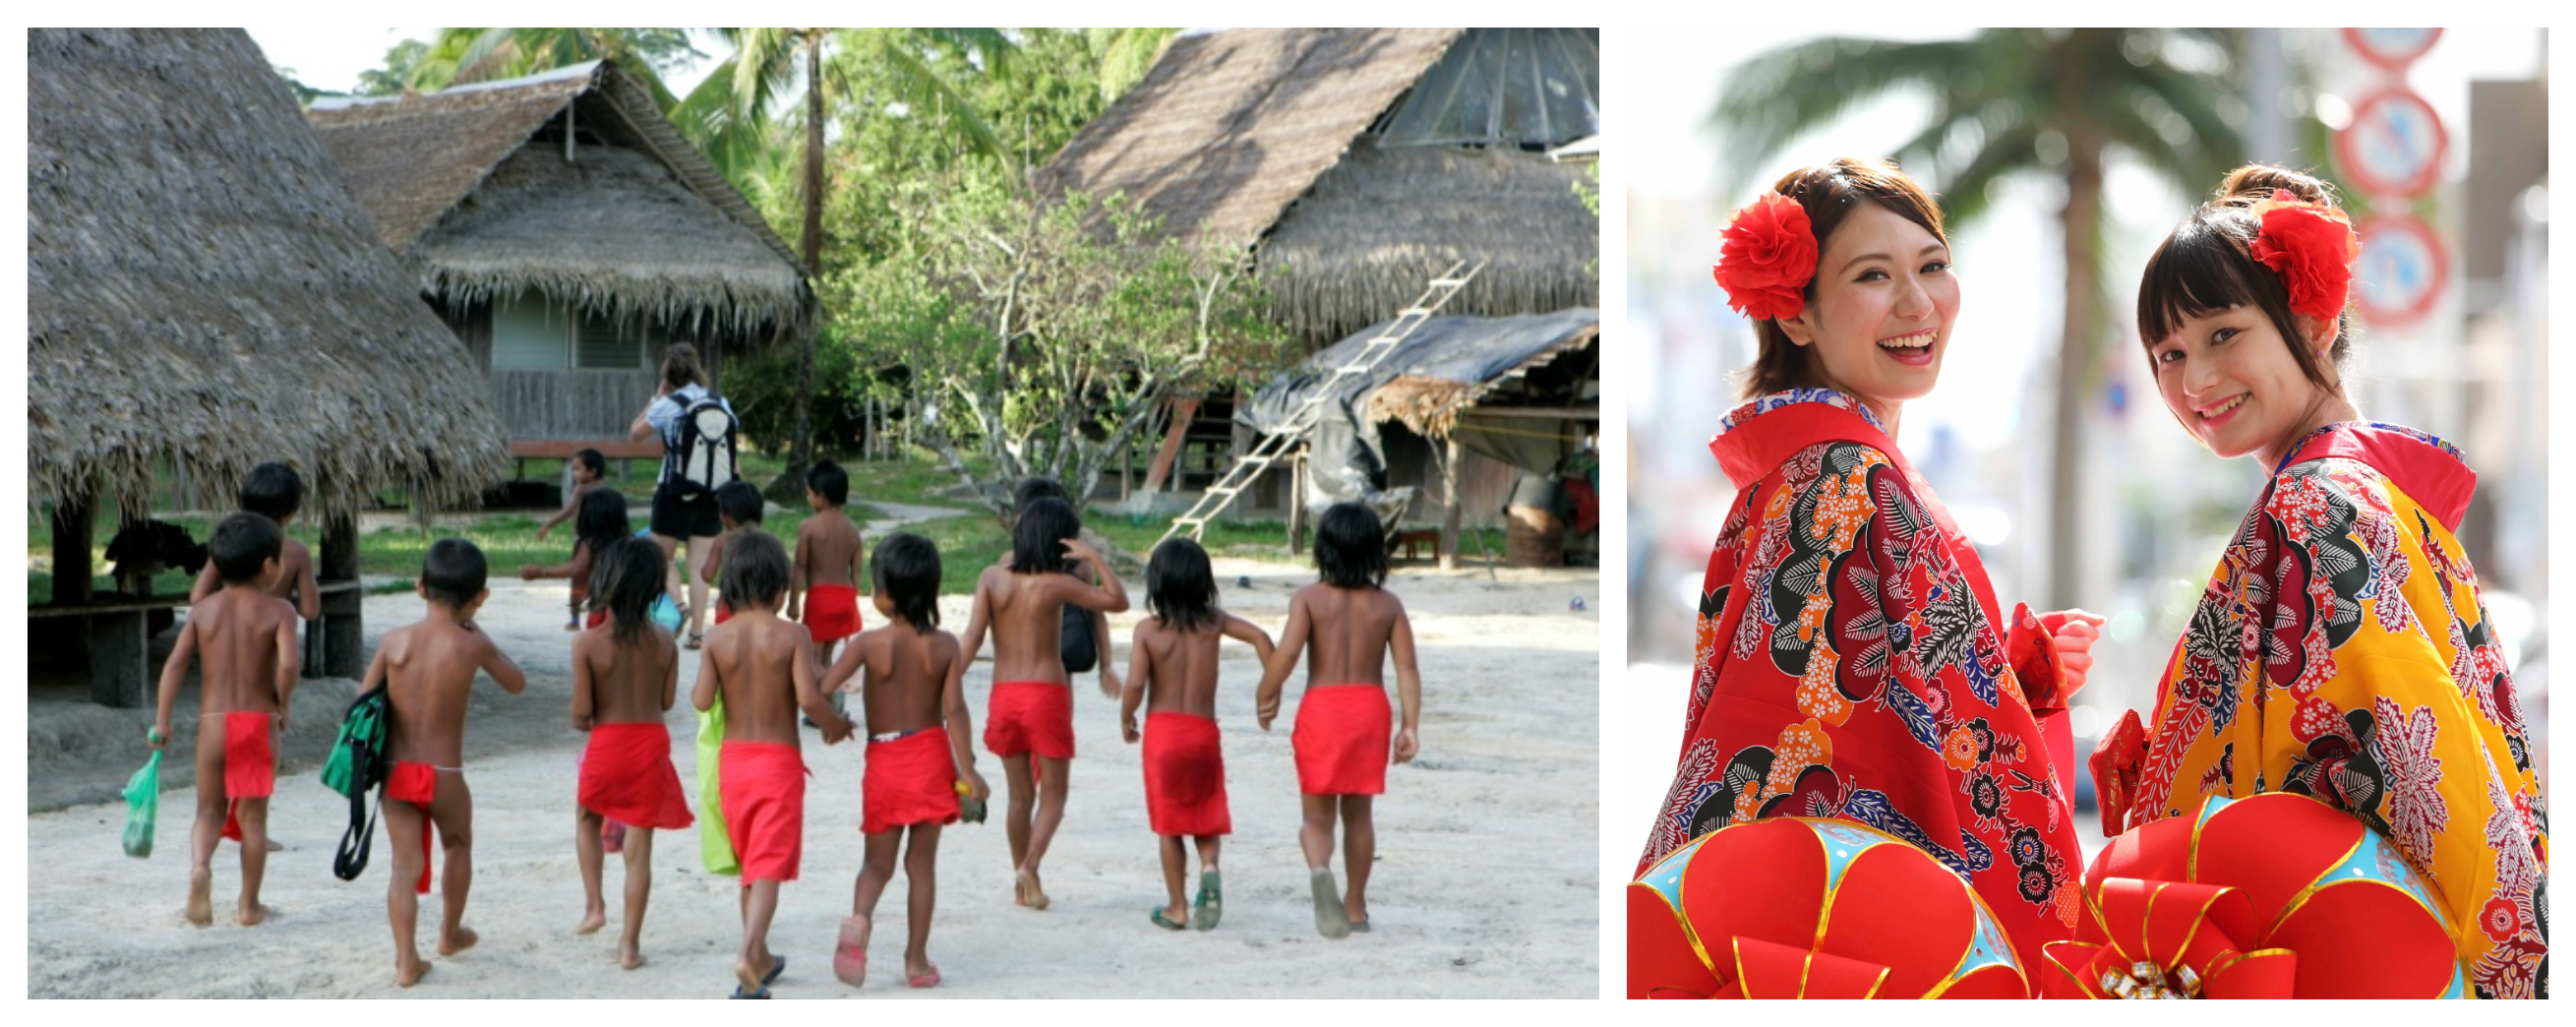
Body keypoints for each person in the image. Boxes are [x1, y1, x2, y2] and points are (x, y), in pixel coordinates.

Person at [1632, 158, 2104, 970]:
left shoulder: (1810, 468)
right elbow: (1833, 736)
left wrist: (2007, 674)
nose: (1917, 304)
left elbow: (1880, 691)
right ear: (1797, 315)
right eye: (1873, 275)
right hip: (1854, 929)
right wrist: (1992, 687)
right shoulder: (1848, 477)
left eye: (1931, 266)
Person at [2093, 165, 2546, 997]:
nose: (2194, 382)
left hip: (2342, 960)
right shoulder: (2360, 488)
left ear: (2311, 317)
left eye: (2224, 333)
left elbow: (2417, 774)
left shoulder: (2316, 504)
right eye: (2169, 354)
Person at [819, 532, 988, 990]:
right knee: (921, 867)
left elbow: (824, 686)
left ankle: (859, 920)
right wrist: (968, 769)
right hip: (930, 757)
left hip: (885, 759)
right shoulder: (945, 646)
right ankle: (916, 961)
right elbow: (955, 710)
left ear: (885, 594)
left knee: (876, 864)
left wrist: (836, 723)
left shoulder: (867, 644)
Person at [690, 530, 855, 998]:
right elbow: (809, 697)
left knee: (751, 864)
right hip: (778, 765)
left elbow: (702, 700)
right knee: (768, 866)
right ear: (782, 588)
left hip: (734, 766)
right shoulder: (793, 634)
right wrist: (835, 725)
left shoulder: (717, 638)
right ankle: (747, 953)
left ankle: (759, 959)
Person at [364, 538, 528, 987]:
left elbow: (363, 701)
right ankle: (450, 933)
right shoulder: (471, 645)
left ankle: (405, 962)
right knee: (457, 845)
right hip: (445, 773)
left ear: (419, 587)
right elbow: (517, 683)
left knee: (403, 866)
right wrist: (483, 637)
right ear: (480, 597)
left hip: (397, 770)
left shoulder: (394, 641)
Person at [1255, 503, 1420, 938]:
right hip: (1368, 710)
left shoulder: (1309, 599)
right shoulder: (1388, 605)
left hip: (1323, 710)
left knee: (1316, 818)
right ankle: (1354, 906)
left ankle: (1319, 867)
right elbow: (1407, 669)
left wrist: (1265, 691)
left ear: (1322, 549)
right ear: (1375, 551)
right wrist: (1410, 726)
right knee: (1360, 816)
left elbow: (1288, 654)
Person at [957, 496, 1130, 911]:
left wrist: (948, 679)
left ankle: (1024, 884)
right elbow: (1117, 601)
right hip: (1045, 696)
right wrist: (1094, 557)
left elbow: (972, 637)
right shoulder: (1057, 583)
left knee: (1019, 797)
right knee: (1054, 795)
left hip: (1004, 697)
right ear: (1060, 541)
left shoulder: (991, 578)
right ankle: (1030, 867)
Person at [151, 513, 299, 929]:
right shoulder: (279, 610)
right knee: (253, 818)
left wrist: (163, 721)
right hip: (256, 721)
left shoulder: (203, 611)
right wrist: (283, 703)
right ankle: (250, 907)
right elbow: (287, 664)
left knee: (209, 810)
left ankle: (200, 866)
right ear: (269, 566)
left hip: (213, 722)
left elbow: (176, 664)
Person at [1123, 537, 1274, 933]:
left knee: (1169, 826)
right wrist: (1269, 691)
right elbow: (1262, 638)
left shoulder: (1148, 631)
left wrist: (1127, 716)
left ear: (1157, 583)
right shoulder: (1215, 622)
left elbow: (1136, 684)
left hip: (1164, 736)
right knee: (1205, 815)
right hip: (1203, 733)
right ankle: (1210, 865)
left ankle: (1177, 907)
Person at [569, 536, 692, 970]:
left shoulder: (587, 644)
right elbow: (665, 702)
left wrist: (587, 716)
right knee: (641, 850)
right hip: (650, 744)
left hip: (609, 742)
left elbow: (581, 712)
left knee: (587, 817)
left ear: (604, 585)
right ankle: (629, 946)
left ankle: (594, 905)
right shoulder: (664, 641)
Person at [629, 342, 735, 649]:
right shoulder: (720, 401)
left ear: (668, 374)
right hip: (712, 492)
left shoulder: (669, 403)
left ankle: (678, 605)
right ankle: (699, 632)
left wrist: (656, 397)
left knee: (658, 553)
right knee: (700, 563)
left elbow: (635, 433)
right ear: (698, 369)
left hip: (674, 490)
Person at [1005, 477, 1115, 698]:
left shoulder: (1079, 567)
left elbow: (1098, 616)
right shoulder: (1009, 564)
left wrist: (1106, 666)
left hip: (1058, 670)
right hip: (1018, 673)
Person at [792, 459, 867, 671]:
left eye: (809, 493)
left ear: (821, 496)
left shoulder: (808, 527)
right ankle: (831, 698)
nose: (808, 498)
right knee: (827, 657)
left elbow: (799, 566)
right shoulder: (852, 530)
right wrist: (852, 597)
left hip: (820, 599)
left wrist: (793, 602)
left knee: (813, 658)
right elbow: (857, 569)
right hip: (844, 598)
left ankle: (819, 702)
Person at [520, 488, 630, 631]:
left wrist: (541, 572)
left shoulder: (591, 542)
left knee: (599, 636)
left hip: (603, 602)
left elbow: (576, 567)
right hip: (629, 602)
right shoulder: (629, 542)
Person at [536, 448, 611, 630]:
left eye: (577, 469)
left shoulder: (581, 490)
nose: (574, 473)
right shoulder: (606, 489)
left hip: (583, 539)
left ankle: (575, 619)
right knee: (600, 578)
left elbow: (568, 511)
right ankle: (600, 614)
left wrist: (548, 524)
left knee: (577, 579)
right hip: (604, 541)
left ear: (591, 472)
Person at [696, 479, 769, 628]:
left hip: (728, 607)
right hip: (760, 608)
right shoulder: (766, 540)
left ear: (726, 514)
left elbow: (707, 575)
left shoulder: (722, 541)